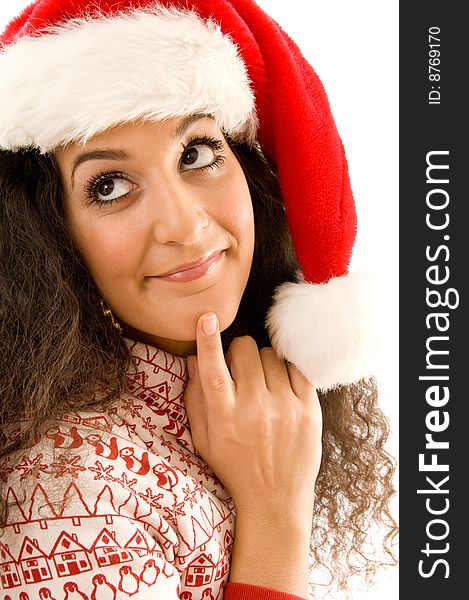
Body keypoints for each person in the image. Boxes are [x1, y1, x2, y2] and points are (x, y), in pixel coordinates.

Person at [0, 0, 397, 598]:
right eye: (109, 186)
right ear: (50, 234)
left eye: (196, 153)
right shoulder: (68, 494)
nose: (184, 226)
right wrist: (273, 514)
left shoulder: (248, 400)